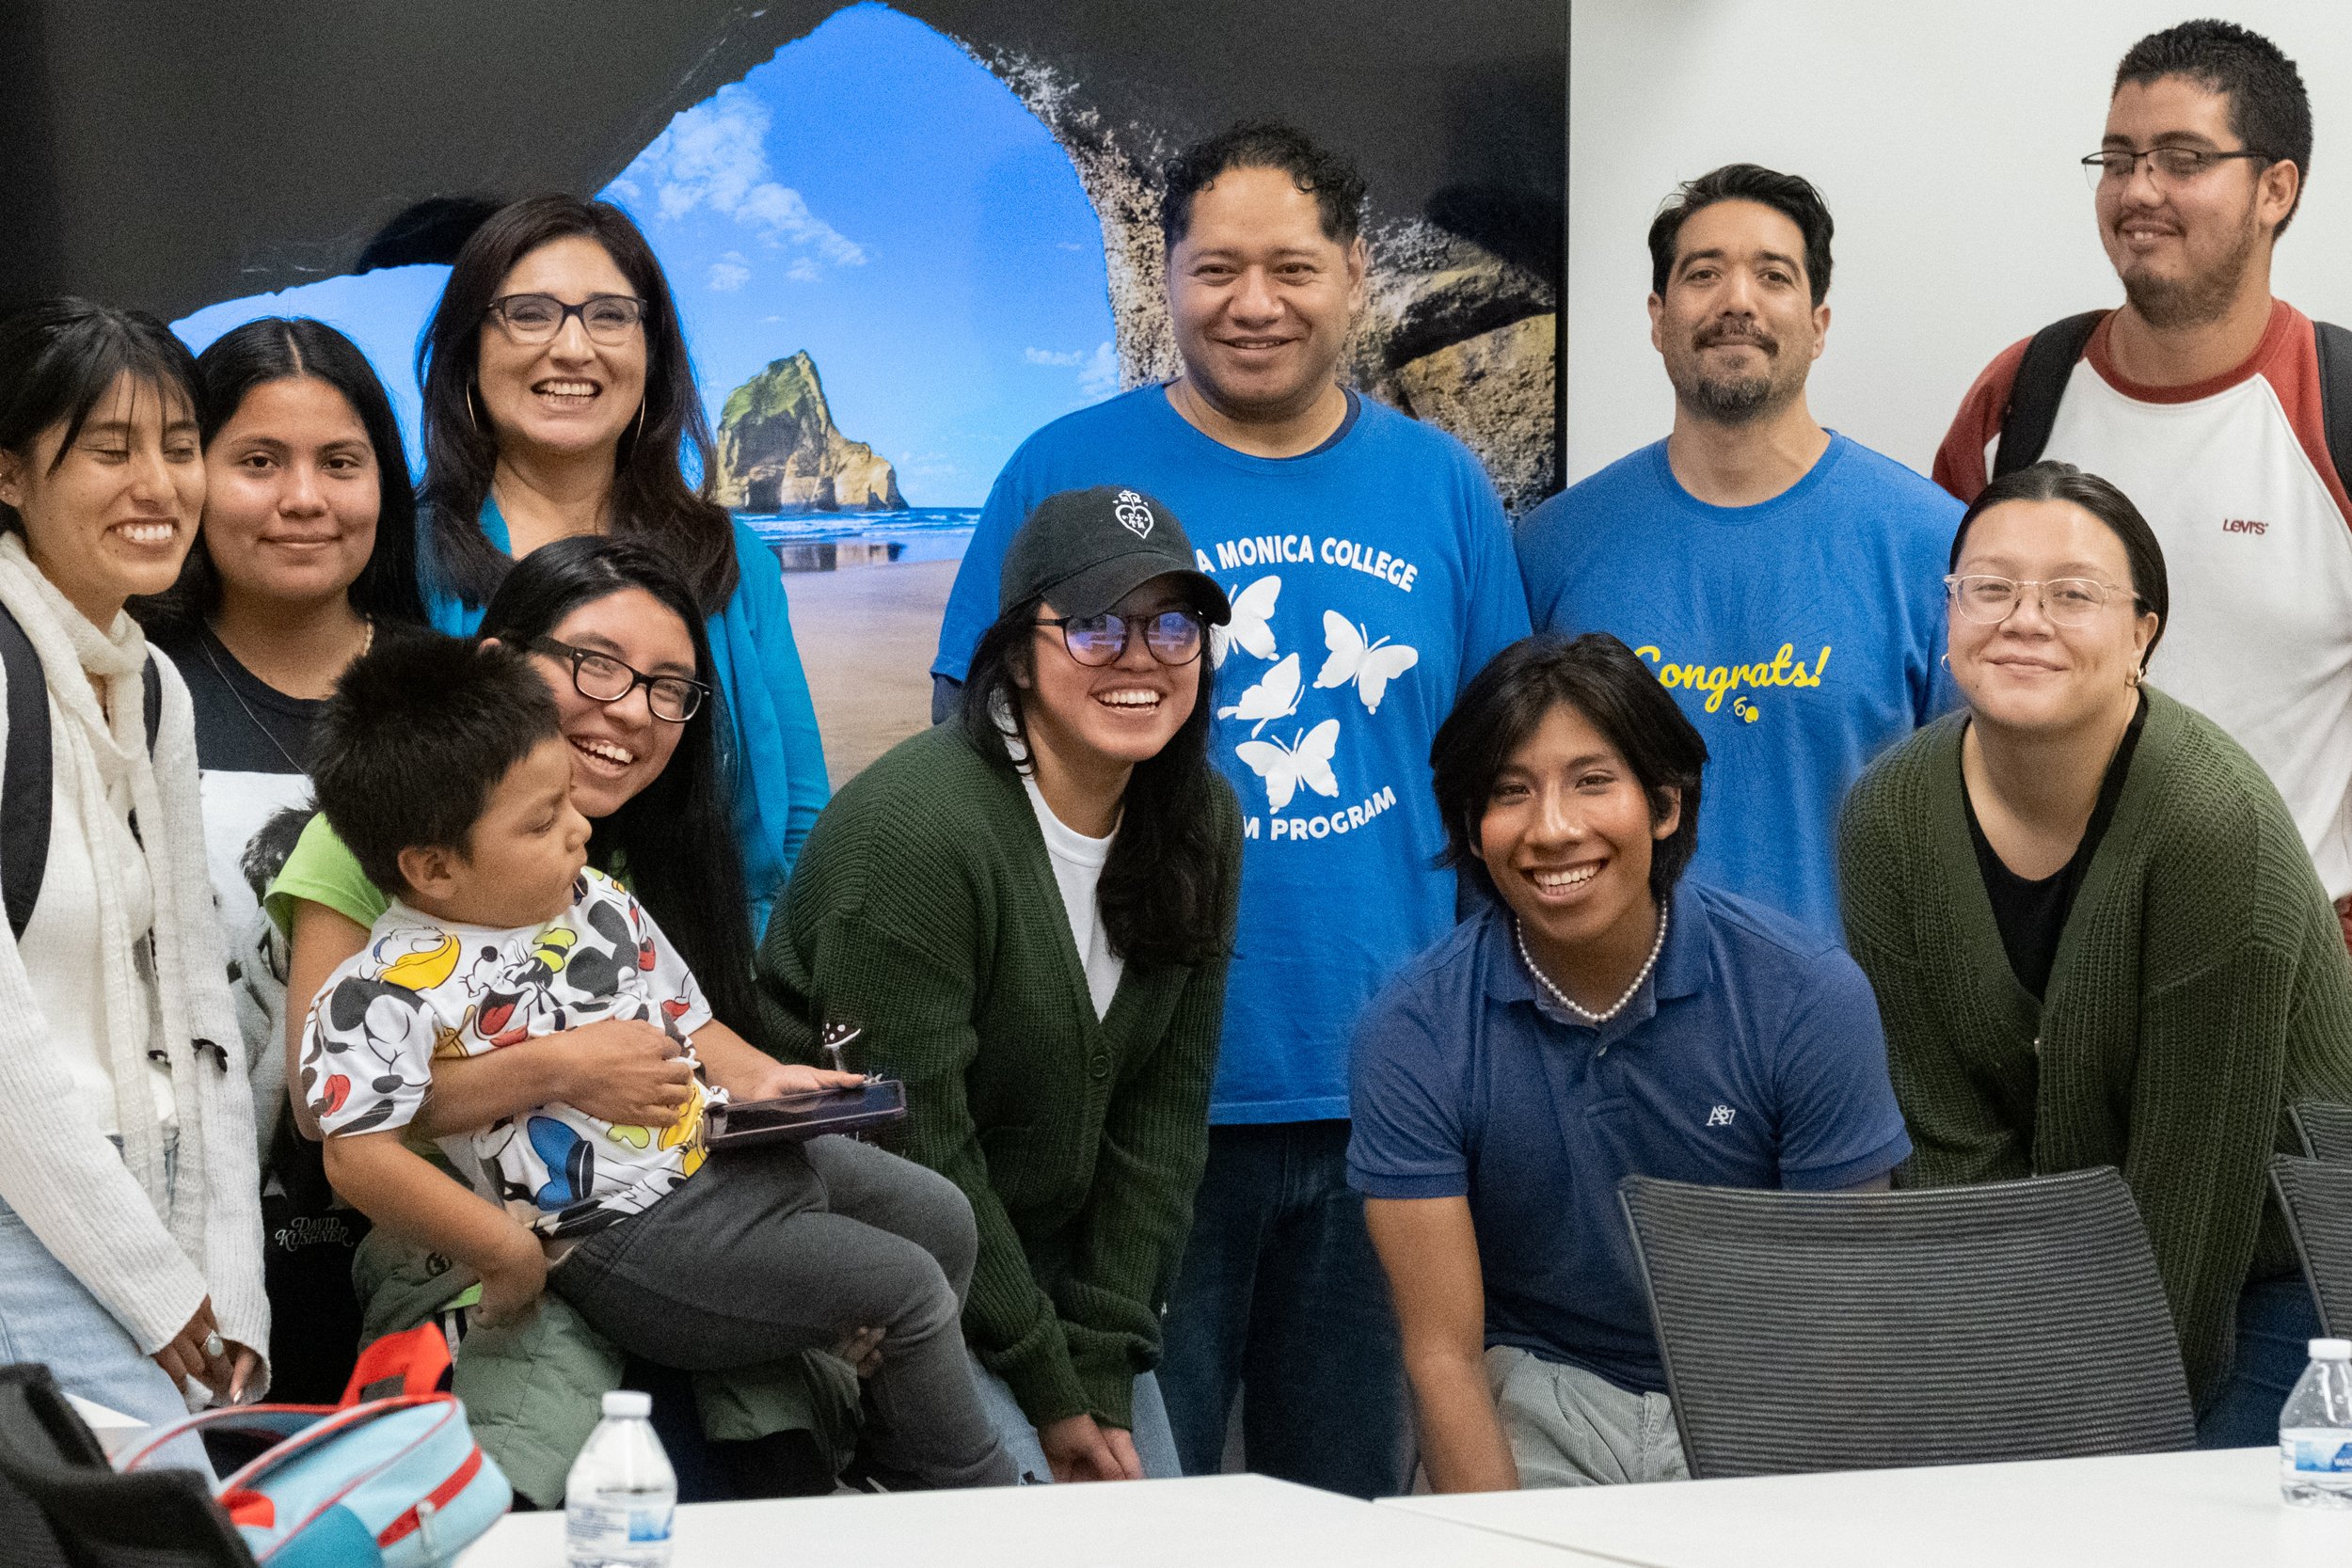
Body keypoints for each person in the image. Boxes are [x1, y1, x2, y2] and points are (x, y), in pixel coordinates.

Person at [929, 120, 1528, 1498]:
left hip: (1391, 1096)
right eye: (1216, 269)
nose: (1254, 303)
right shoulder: (1061, 471)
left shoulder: (1437, 485)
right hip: (1132, 1107)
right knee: (1140, 1497)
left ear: (1355, 274)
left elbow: (1500, 772)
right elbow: (972, 755)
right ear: (1167, 272)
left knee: (1352, 1498)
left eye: (1292, 267)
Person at [300, 634, 1013, 1491]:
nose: (580, 826)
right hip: (629, 1238)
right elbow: (353, 1151)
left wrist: (762, 1078)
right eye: (541, 821)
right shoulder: (380, 990)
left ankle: (886, 1445)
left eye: (567, 798)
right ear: (434, 867)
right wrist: (503, 1251)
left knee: (942, 1218)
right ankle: (972, 1493)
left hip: (719, 1146)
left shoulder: (592, 896)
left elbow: (685, 1016)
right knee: (907, 1287)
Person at [269, 537, 856, 1501]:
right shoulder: (390, 835)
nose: (630, 707)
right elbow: (317, 1104)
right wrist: (559, 1066)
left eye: (669, 687)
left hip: (668, 1209)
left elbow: (697, 1038)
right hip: (475, 1245)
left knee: (768, 1439)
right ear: (502, 664)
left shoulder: (631, 853)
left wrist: (788, 1092)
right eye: (595, 663)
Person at [1839, 460, 2352, 1448]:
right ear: (1948, 615)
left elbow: (2192, 1207)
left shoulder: (2214, 832)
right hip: (2051, 1271)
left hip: (2279, 1272)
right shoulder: (1888, 817)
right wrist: (2001, 1376)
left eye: (2072, 594)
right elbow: (1948, 1148)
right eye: (1989, 587)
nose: (2023, 618)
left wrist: (2079, 1443)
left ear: (2140, 635)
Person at [1352, 633, 1909, 1491]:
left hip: (1760, 1388)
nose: (1552, 829)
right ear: (1472, 826)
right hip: (1538, 1391)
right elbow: (1442, 1357)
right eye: (1510, 792)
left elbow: (1836, 1326)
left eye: (1592, 781)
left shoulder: (1805, 996)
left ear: (1665, 802)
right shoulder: (1413, 1029)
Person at [767, 487, 1242, 1484]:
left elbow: (1162, 1117)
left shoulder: (1197, 816)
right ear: (1018, 654)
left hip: (1056, 1280)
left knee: (1158, 1534)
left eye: (1172, 623)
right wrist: (1050, 1387)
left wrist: (1102, 1368)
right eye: (1094, 624)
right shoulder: (916, 828)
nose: (1141, 654)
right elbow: (918, 1143)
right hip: (877, 1272)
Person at [1932, 22, 2352, 942]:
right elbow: (1953, 668)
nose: (2137, 192)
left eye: (2181, 158)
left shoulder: (2338, 407)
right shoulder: (2022, 395)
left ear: (2275, 188)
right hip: (2044, 970)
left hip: (2295, 974)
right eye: (2117, 158)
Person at [1515, 163, 1957, 942]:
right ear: (1657, 317)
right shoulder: (1551, 548)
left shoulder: (1932, 544)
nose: (1736, 302)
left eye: (1772, 275)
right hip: (1606, 1038)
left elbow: (1978, 834)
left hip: (1849, 1040)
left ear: (1818, 323)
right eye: (1704, 273)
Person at [132, 316, 429, 1405]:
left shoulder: (450, 695)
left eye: (340, 462)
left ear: (383, 488)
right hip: (187, 1245)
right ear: (194, 477)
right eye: (259, 461)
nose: (304, 497)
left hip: (418, 1233)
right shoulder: (126, 686)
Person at [0, 298, 268, 1456]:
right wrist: (150, 1285)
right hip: (24, 1205)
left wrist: (231, 1283)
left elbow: (194, 1002)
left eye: (177, 444)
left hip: (137, 1185)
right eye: (108, 448)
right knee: (166, 1508)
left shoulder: (151, 681)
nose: (157, 482)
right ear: (11, 475)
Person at [415, 193, 826, 929]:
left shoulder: (733, 563)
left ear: (651, 354)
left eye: (610, 316)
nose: (574, 348)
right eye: (531, 313)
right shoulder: (408, 557)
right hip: (476, 998)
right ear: (468, 350)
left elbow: (798, 813)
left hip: (721, 980)